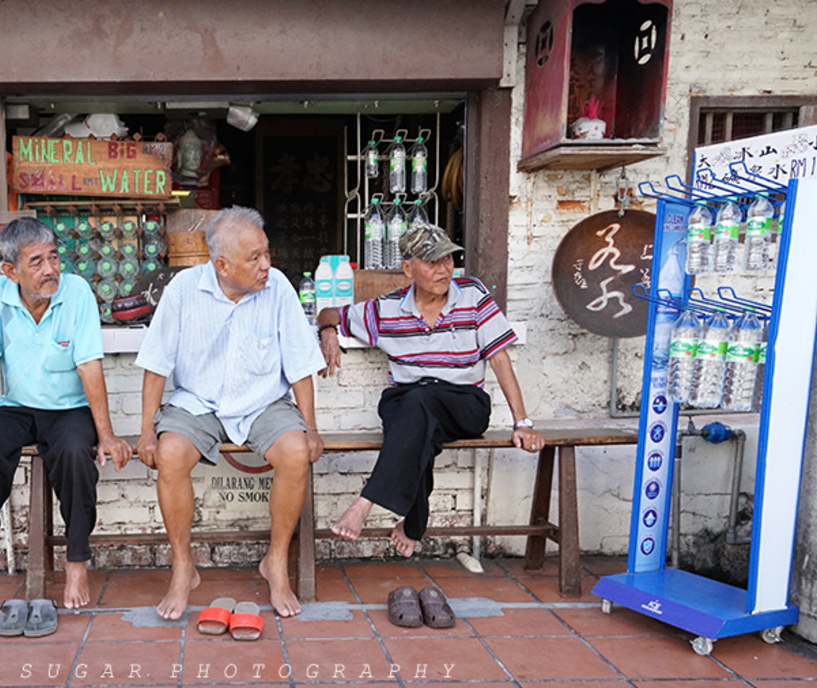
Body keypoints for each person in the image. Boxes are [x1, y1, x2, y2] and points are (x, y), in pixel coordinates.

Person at [135, 207, 326, 619]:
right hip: (197, 401)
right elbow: (156, 364)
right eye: (254, 258)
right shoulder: (184, 290)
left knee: (295, 453)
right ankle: (184, 565)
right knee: (169, 454)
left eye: (266, 253)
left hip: (262, 402)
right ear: (221, 265)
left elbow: (300, 364)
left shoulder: (279, 289)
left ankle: (275, 561)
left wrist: (309, 428)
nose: (266, 265)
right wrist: (147, 429)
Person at [316, 223, 545, 557]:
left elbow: (499, 359)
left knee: (418, 405)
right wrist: (328, 331)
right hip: (410, 403)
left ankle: (365, 502)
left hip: (464, 404)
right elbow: (329, 312)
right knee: (414, 415)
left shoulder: (473, 295)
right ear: (408, 268)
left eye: (449, 259)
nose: (444, 269)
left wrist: (522, 422)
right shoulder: (387, 309)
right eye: (433, 262)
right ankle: (414, 522)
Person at [0, 217, 133, 611]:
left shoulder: (77, 292)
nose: (50, 270)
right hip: (16, 407)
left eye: (53, 257)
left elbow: (88, 366)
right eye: (37, 262)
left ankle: (77, 564)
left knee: (73, 457)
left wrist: (107, 434)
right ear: (11, 270)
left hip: (69, 409)